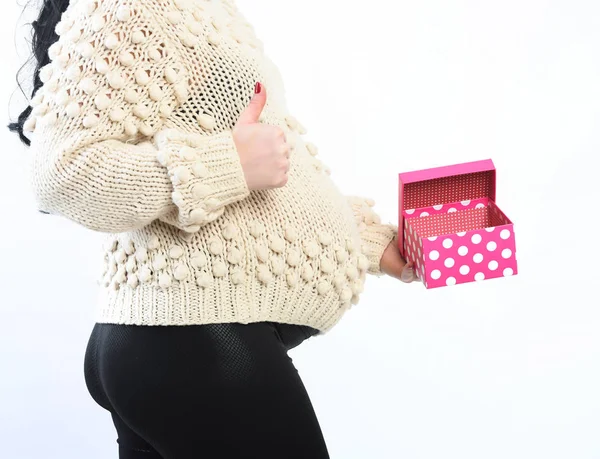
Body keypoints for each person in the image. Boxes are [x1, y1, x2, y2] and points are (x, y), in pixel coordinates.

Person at [8, 0, 418, 457]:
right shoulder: (129, 6)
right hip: (193, 341)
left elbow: (273, 185)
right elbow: (59, 173)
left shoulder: (203, 9)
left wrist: (370, 244)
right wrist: (228, 163)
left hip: (181, 346)